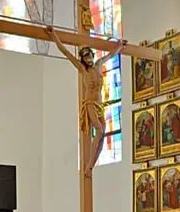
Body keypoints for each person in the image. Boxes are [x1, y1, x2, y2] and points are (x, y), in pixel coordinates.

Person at [47, 27, 127, 171]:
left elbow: (111, 55)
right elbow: (65, 52)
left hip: (100, 104)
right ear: (82, 59)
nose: (88, 59)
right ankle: (89, 163)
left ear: (92, 56)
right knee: (99, 130)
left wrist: (120, 46)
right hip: (90, 103)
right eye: (86, 57)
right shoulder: (82, 69)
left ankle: (92, 164)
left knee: (103, 135)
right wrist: (54, 36)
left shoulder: (98, 65)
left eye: (90, 56)